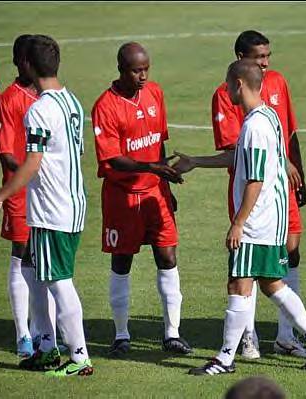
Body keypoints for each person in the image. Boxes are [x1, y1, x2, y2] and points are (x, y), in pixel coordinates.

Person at [185, 59, 306, 376]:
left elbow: (254, 180)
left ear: (240, 83)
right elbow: (241, 159)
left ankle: (225, 358)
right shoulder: (268, 117)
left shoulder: (253, 127)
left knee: (239, 284)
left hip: (255, 223)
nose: (225, 90)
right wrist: (195, 161)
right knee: (272, 284)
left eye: (227, 84)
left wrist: (238, 223)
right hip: (272, 219)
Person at [0, 34, 94, 377]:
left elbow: (33, 162)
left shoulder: (39, 110)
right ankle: (46, 347)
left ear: (28, 66)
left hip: (53, 208)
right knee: (33, 273)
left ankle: (79, 358)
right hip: (71, 201)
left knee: (60, 281)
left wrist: (0, 197)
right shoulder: (72, 101)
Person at [211, 30, 306, 359]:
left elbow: (290, 132)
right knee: (247, 271)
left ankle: (286, 336)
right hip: (251, 197)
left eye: (268, 56)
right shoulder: (226, 95)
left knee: (286, 258)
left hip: (279, 192)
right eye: (258, 58)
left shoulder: (277, 82)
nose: (265, 63)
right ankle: (247, 338)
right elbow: (234, 154)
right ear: (241, 59)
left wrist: (298, 170)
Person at [91, 42, 191, 357]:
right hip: (121, 198)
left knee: (168, 257)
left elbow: (158, 142)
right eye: (137, 70)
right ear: (121, 69)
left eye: (147, 68)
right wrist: (150, 167)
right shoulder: (105, 106)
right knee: (122, 262)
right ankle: (121, 335)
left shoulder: (154, 93)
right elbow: (112, 159)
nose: (143, 75)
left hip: (155, 195)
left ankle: (172, 334)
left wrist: (165, 185)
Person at [0, 34, 58, 358]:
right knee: (22, 254)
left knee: (45, 258)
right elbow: (6, 152)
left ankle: (42, 331)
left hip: (51, 194)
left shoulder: (50, 96)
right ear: (22, 62)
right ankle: (23, 333)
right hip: (22, 192)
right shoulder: (10, 99)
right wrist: (30, 176)